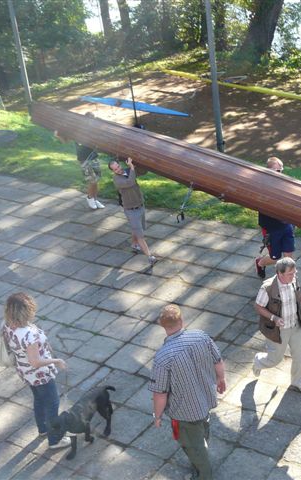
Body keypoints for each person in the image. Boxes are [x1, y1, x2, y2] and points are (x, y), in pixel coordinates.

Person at [149, 304, 226, 480]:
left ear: (162, 325)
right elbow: (218, 361)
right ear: (181, 320)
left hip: (184, 412)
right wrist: (221, 379)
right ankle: (202, 443)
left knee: (193, 446)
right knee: (203, 426)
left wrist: (157, 416)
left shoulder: (163, 357)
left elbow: (160, 393)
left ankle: (204, 476)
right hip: (206, 399)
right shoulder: (201, 337)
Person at [1, 292, 71, 450]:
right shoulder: (29, 335)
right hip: (40, 375)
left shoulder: (7, 325)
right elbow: (35, 362)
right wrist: (57, 361)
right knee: (52, 404)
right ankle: (55, 440)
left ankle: (43, 429)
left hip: (25, 371)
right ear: (26, 310)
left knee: (39, 400)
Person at [253, 257, 301, 394]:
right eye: (290, 274)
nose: (293, 276)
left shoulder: (293, 280)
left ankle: (298, 381)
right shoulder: (267, 288)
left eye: (294, 272)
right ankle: (258, 361)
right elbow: (258, 307)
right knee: (274, 360)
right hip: (278, 330)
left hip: (295, 326)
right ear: (280, 273)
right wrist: (274, 318)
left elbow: (298, 296)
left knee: (300, 355)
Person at [108, 156, 156, 265]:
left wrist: (138, 162)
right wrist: (132, 167)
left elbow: (143, 172)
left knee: (137, 228)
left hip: (140, 206)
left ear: (120, 164)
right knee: (140, 235)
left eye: (118, 166)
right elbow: (130, 182)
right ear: (113, 171)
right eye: (115, 169)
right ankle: (150, 257)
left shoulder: (128, 171)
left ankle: (134, 244)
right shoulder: (117, 179)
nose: (118, 169)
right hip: (130, 210)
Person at [255, 156, 295, 279]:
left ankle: (289, 280)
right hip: (271, 228)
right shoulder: (260, 186)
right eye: (277, 171)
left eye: (281, 170)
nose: (280, 173)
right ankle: (260, 263)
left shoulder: (284, 183)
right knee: (275, 258)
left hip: (286, 225)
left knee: (289, 257)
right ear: (268, 170)